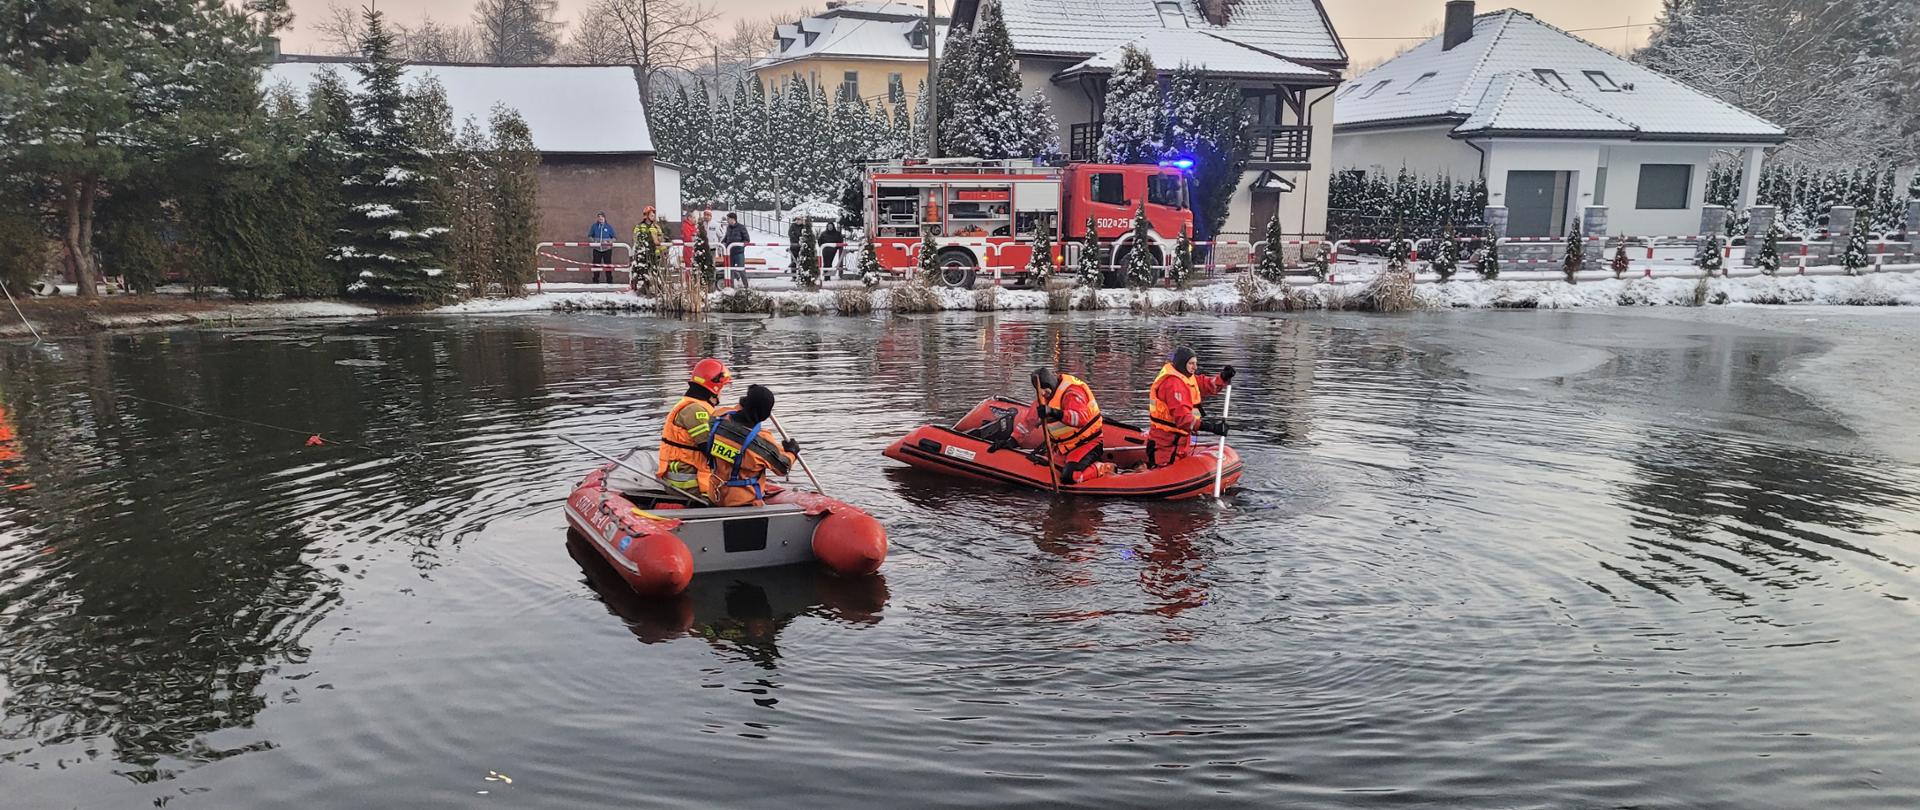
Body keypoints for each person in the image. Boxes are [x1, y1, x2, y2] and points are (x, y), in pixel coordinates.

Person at [705, 384, 801, 507]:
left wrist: (747, 400)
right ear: (765, 414)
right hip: (743, 503)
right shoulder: (760, 443)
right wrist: (792, 451)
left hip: (716, 496)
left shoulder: (717, 419)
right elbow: (783, 467)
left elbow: (734, 410)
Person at [1145, 346, 1235, 468]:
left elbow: (1205, 384)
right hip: (1166, 442)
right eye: (1191, 364)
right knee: (1166, 471)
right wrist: (1212, 427)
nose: (1195, 367)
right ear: (1182, 364)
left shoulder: (1186, 377)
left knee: (1179, 469)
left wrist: (1222, 378)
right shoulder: (1173, 384)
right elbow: (1183, 419)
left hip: (1180, 440)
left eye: (1195, 363)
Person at [656, 358, 734, 498]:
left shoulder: (691, 404)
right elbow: (711, 450)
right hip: (690, 486)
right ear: (715, 388)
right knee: (740, 494)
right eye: (722, 387)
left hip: (685, 478)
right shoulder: (696, 411)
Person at [1030, 367, 1113, 484]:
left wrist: (1054, 412)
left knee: (1070, 477)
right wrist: (1013, 439)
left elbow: (1080, 419)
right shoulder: (1046, 396)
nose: (1043, 394)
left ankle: (1103, 468)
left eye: (1045, 390)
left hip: (1086, 443)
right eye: (1040, 391)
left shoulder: (1072, 393)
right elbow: (1029, 419)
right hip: (1063, 445)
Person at [631, 206, 664, 290]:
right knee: (640, 271)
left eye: (654, 213)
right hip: (642, 254)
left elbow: (661, 239)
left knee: (655, 272)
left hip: (654, 254)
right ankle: (637, 285)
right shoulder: (639, 226)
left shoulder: (656, 227)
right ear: (646, 215)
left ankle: (658, 288)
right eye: (651, 213)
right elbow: (635, 238)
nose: (653, 215)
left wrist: (659, 243)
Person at [723, 213, 751, 287]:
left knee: (741, 269)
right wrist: (722, 243)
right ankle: (731, 286)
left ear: (733, 219)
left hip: (739, 252)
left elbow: (747, 239)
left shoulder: (741, 227)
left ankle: (746, 286)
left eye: (728, 219)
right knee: (730, 270)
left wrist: (741, 246)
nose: (727, 220)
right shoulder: (728, 227)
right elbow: (726, 237)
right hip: (730, 252)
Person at [589, 212, 616, 284]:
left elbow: (614, 237)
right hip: (597, 249)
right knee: (596, 265)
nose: (600, 218)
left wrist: (609, 242)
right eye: (599, 217)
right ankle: (595, 281)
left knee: (608, 265)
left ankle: (609, 281)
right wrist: (594, 241)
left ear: (604, 218)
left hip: (607, 250)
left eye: (602, 217)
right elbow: (590, 236)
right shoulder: (594, 226)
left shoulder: (609, 227)